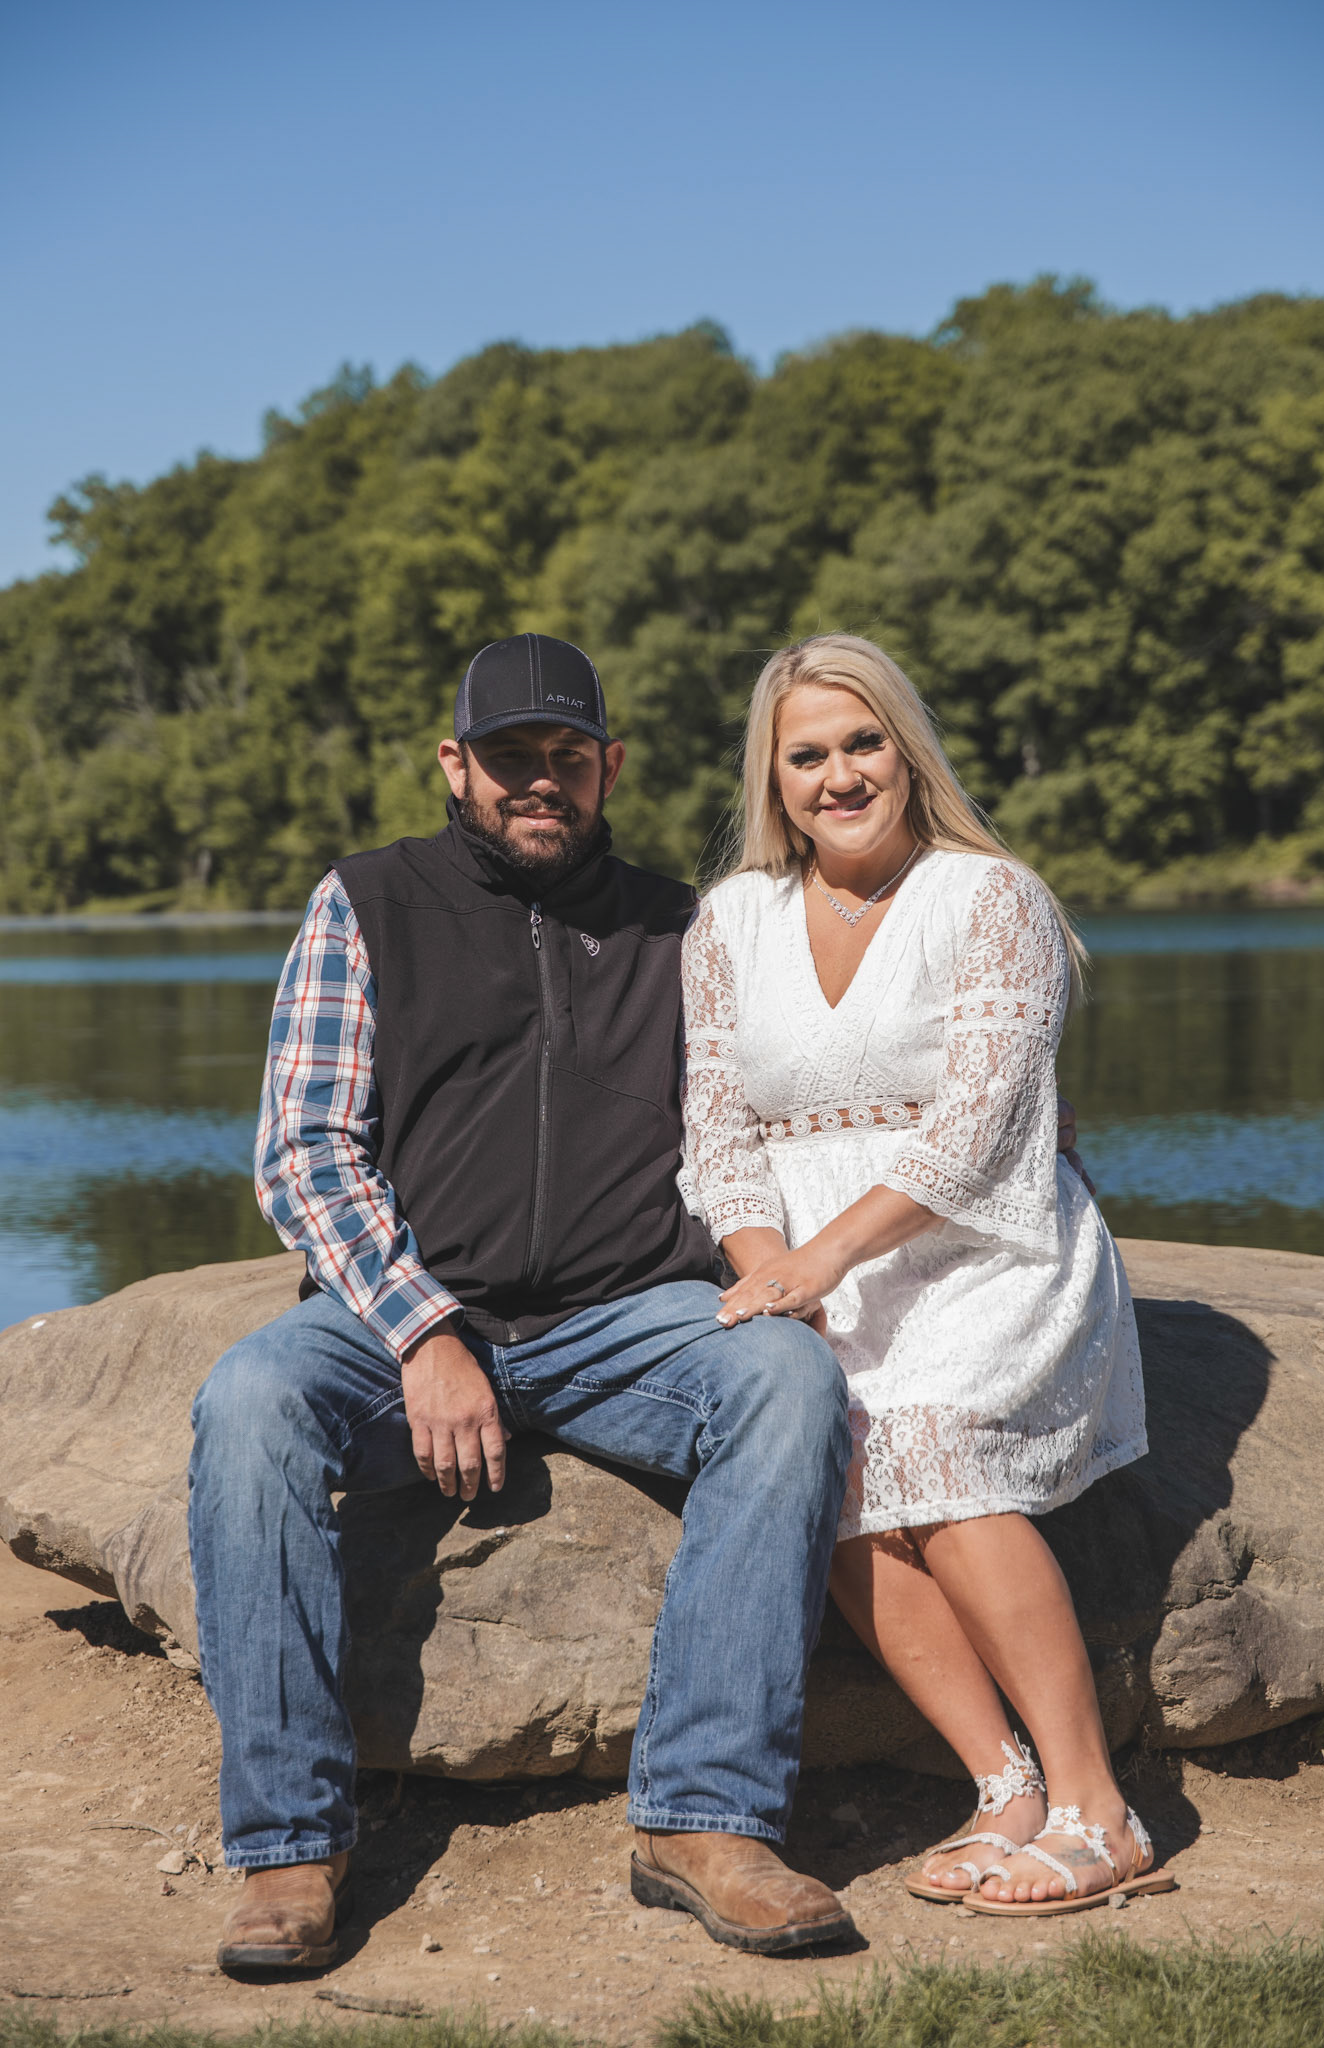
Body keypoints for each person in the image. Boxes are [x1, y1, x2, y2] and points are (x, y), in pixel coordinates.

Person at [189, 633, 859, 1973]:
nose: (540, 779)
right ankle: (290, 1842)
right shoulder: (367, 900)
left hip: (630, 1316)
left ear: (611, 766)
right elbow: (304, 1150)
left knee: (789, 1382)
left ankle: (704, 1820)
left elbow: (784, 1094)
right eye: (510, 756)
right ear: (456, 764)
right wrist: (424, 1331)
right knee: (250, 1400)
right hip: (402, 1320)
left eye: (568, 754)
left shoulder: (686, 922)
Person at [681, 633, 1174, 1917]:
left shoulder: (990, 896)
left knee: (933, 1438)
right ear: (773, 777)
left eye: (864, 743)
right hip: (809, 1270)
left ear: (908, 751)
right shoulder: (731, 919)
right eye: (808, 754)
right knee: (821, 1441)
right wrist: (772, 1276)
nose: (840, 775)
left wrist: (821, 1261)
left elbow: (979, 1129)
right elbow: (717, 1135)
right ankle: (1004, 1784)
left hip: (988, 1254)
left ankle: (1098, 1808)